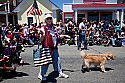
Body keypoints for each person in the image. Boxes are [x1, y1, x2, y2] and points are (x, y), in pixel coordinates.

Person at [38, 14, 69, 81]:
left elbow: (57, 36)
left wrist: (64, 35)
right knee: (45, 63)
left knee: (57, 61)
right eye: (47, 19)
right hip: (47, 48)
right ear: (45, 20)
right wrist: (42, 35)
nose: (49, 20)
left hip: (54, 48)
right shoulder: (43, 28)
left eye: (50, 18)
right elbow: (41, 40)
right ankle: (41, 74)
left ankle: (60, 72)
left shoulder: (53, 28)